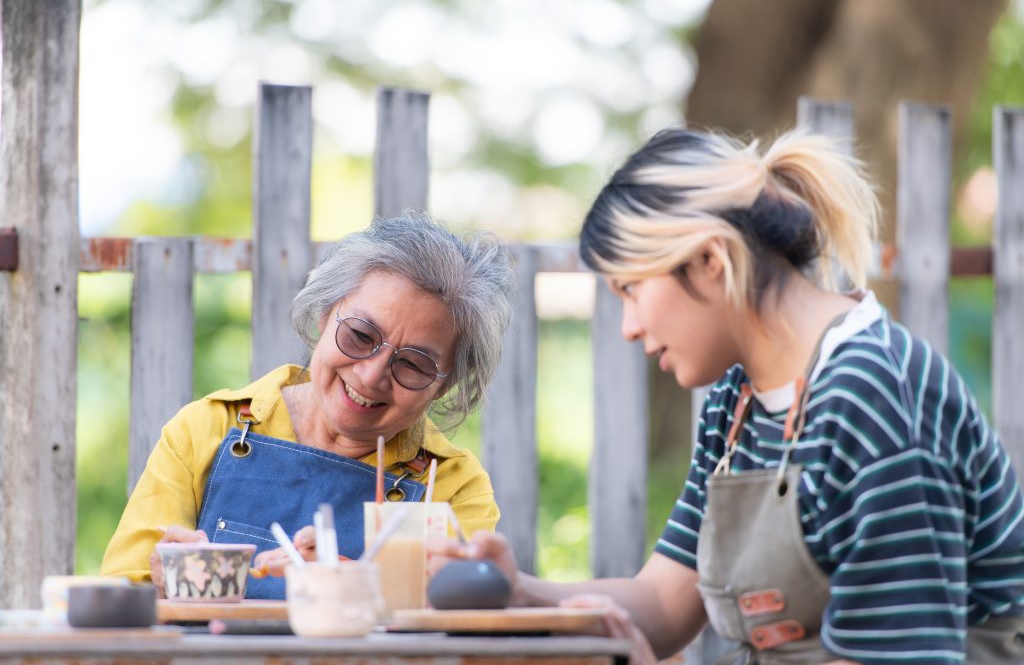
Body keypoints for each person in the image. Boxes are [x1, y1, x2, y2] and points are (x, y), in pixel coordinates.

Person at [430, 128, 1024, 664]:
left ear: (711, 261)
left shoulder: (873, 399)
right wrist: (519, 592)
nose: (628, 327)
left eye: (631, 289)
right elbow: (662, 604)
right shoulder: (737, 403)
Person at [102, 213, 516, 600]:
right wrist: (161, 583)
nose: (372, 376)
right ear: (324, 314)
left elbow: (462, 622)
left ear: (446, 385)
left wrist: (349, 581)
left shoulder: (449, 485)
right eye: (359, 335)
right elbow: (123, 599)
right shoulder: (206, 429)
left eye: (412, 364)